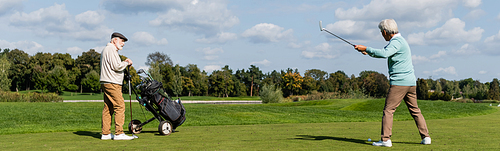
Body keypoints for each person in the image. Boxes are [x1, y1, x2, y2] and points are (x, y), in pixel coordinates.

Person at [355, 19, 431, 147]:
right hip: (410, 83)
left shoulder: (396, 42)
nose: (381, 34)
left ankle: (385, 140)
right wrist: (367, 52)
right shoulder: (400, 41)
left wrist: (367, 48)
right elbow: (385, 53)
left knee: (388, 110)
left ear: (385, 32)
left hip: (400, 83)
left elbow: (385, 53)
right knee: (415, 110)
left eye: (381, 32)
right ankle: (426, 137)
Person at [100, 32, 135, 140]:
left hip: (107, 82)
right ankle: (119, 133)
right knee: (120, 106)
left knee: (108, 107)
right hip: (112, 83)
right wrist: (126, 63)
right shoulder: (110, 49)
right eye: (122, 41)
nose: (123, 44)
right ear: (115, 40)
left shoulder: (108, 50)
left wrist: (123, 63)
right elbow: (116, 66)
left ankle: (105, 134)